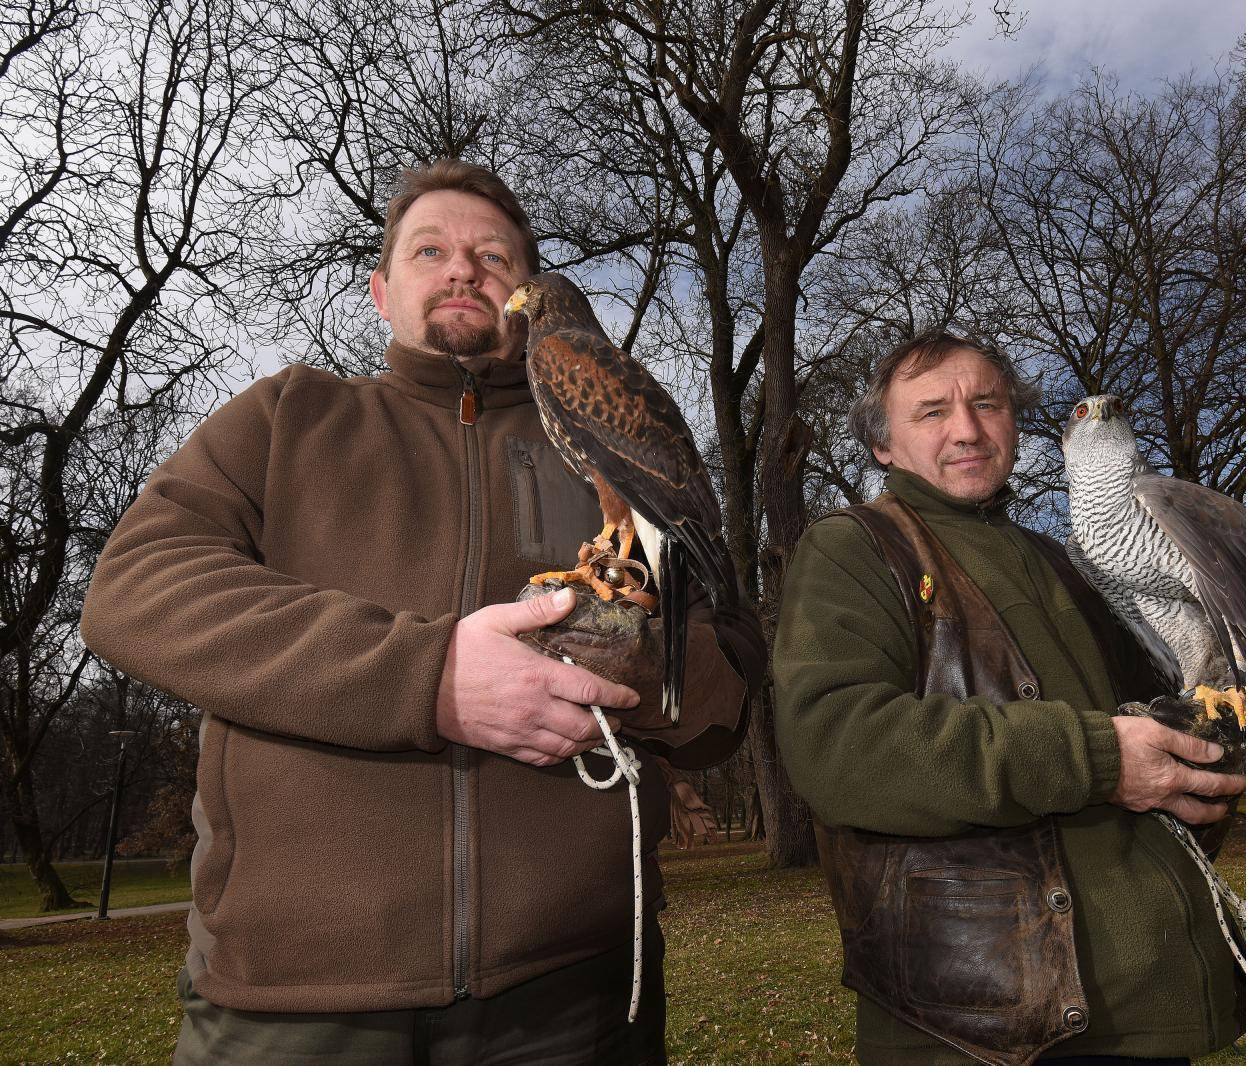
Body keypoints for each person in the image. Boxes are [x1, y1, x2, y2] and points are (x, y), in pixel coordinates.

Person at [81, 159, 753, 1065]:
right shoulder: (289, 417)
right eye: (430, 249)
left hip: (574, 993)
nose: (463, 269)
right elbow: (135, 587)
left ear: (526, 291)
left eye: (493, 255)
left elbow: (730, 695)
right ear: (380, 289)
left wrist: (640, 669)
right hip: (296, 1001)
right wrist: (426, 676)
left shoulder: (600, 418)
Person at [772, 329, 1246, 1065]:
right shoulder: (855, 548)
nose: (967, 429)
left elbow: (1160, 728)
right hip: (975, 1023)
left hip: (1146, 1004)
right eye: (932, 412)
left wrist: (1212, 744)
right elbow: (836, 747)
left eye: (988, 404)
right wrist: (1098, 758)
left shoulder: (1065, 560)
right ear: (884, 446)